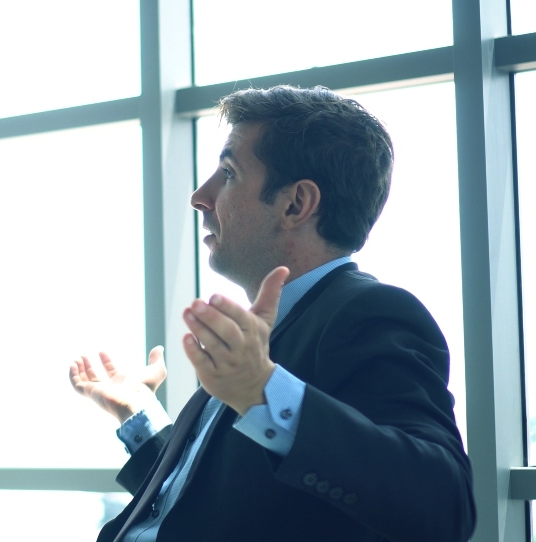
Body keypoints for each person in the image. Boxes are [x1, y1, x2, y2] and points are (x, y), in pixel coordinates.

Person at [70, 86, 475, 542]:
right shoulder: (263, 342)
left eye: (228, 173)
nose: (200, 197)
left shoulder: (370, 313)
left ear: (296, 204)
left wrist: (261, 390)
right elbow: (206, 499)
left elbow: (445, 504)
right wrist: (139, 413)